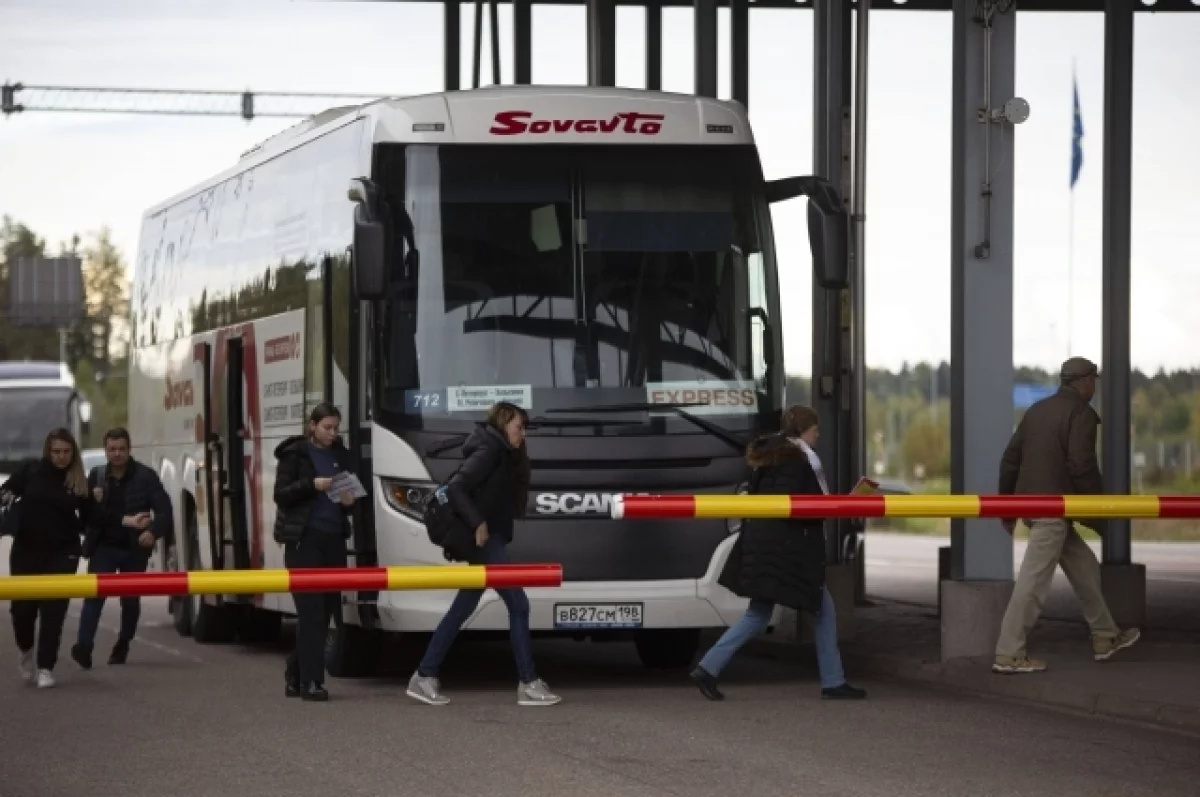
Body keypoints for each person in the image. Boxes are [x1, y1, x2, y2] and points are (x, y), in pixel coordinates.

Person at [690, 405, 866, 701]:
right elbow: (798, 509)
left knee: (761, 613)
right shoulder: (797, 461)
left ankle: (709, 667)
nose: (818, 436)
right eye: (815, 430)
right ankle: (833, 682)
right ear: (804, 431)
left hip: (768, 547)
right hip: (787, 551)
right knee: (822, 610)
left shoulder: (770, 456)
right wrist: (844, 504)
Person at [406, 401, 561, 707]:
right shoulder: (489, 451)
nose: (523, 434)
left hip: (493, 538)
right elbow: (456, 488)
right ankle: (528, 682)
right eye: (519, 427)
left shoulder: (503, 451)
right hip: (487, 540)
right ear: (504, 424)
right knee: (518, 604)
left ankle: (425, 675)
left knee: (462, 608)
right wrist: (478, 523)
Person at [993, 356, 1141, 674]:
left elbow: (1009, 459)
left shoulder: (1037, 411)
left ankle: (1105, 636)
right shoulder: (1082, 414)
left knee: (1085, 566)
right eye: (1094, 380)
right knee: (1033, 582)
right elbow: (1082, 465)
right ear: (1085, 381)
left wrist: (1008, 507)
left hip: (1036, 508)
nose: (1095, 386)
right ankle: (1009, 653)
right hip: (1052, 511)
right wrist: (1099, 511)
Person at [273, 403, 361, 702]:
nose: (332, 434)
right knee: (310, 611)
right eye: (327, 428)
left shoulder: (340, 454)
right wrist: (312, 485)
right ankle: (312, 682)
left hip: (333, 539)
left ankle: (295, 669)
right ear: (312, 426)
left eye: (336, 428)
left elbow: (353, 497)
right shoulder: (295, 455)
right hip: (303, 540)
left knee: (325, 613)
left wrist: (350, 501)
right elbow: (281, 495)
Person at [72, 427, 173, 669]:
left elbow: (165, 511)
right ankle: (83, 647)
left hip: (133, 548)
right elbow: (85, 515)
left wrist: (152, 532)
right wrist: (91, 501)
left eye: (121, 449)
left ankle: (123, 643)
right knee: (94, 597)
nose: (116, 454)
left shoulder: (146, 477)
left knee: (129, 600)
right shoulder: (96, 476)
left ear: (129, 450)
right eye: (112, 449)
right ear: (105, 451)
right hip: (103, 547)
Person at [1, 428, 94, 689]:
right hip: (26, 551)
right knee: (22, 612)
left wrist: (125, 521)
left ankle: (45, 667)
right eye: (56, 452)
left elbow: (93, 518)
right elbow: (6, 491)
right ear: (48, 452)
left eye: (66, 452)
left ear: (72, 453)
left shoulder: (77, 481)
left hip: (62, 553)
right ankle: (25, 649)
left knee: (54, 612)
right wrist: (5, 497)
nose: (61, 457)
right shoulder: (30, 471)